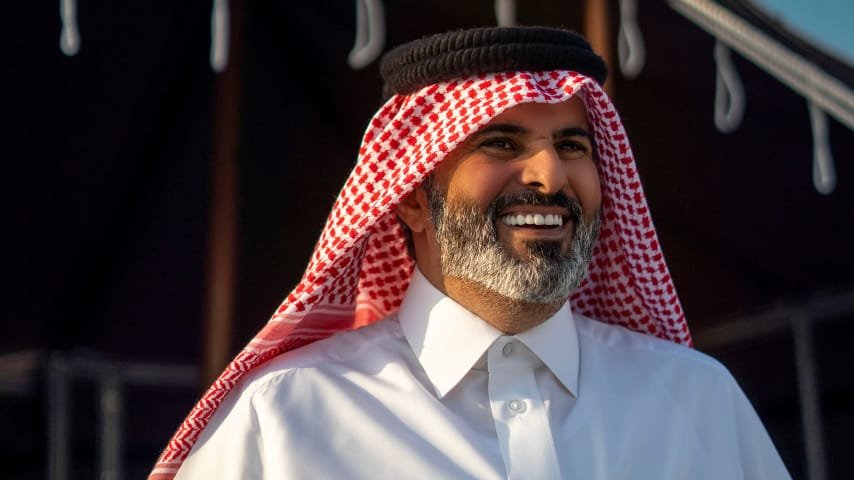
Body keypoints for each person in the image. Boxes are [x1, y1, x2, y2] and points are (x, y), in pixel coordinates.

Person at [151, 26, 790, 479]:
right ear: (411, 199)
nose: (550, 176)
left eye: (572, 146)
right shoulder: (287, 415)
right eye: (502, 143)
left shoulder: (696, 400)